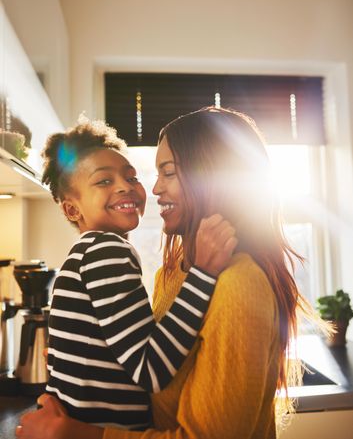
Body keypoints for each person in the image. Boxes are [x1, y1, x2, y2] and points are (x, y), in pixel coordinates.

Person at [17, 107, 314, 439]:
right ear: (72, 209)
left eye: (167, 173)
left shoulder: (238, 284)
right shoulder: (171, 275)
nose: (153, 188)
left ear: (210, 176)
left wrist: (78, 433)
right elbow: (151, 367)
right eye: (156, 173)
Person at [20, 118, 236, 430]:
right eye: (103, 181)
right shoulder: (106, 250)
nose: (125, 186)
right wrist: (203, 273)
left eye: (131, 177)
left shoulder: (82, 254)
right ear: (72, 209)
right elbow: (152, 369)